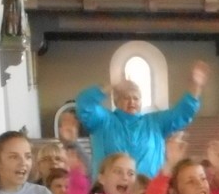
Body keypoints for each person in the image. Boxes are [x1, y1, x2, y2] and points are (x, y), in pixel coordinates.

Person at [75, 61, 210, 178]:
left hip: (149, 192)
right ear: (116, 101)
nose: (132, 102)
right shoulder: (103, 121)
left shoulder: (155, 123)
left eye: (136, 98)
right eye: (126, 97)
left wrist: (195, 87)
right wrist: (113, 85)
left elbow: (183, 112)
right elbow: (84, 104)